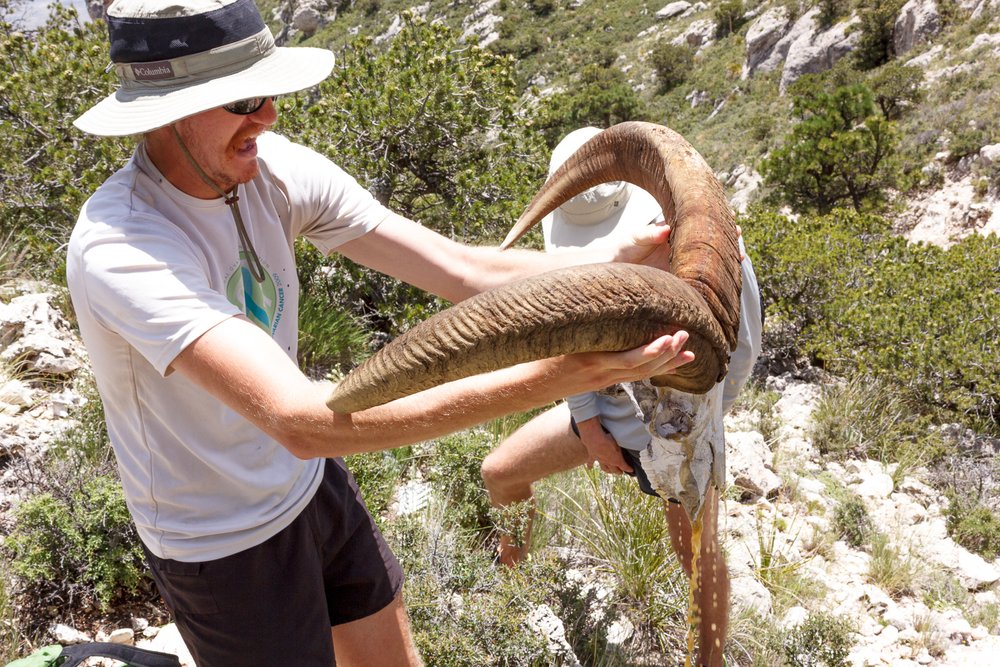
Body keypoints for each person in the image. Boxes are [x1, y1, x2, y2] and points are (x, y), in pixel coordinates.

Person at [66, 2, 695, 665]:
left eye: (270, 92)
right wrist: (563, 375)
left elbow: (463, 270)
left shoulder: (272, 170)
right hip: (221, 539)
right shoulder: (123, 246)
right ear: (169, 110)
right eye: (246, 98)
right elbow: (302, 418)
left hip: (310, 482)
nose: (270, 116)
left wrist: (608, 264)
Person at [480, 127, 763, 667]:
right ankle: (511, 606)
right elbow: (567, 357)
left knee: (698, 558)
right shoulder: (593, 259)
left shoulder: (707, 243)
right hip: (603, 419)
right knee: (502, 473)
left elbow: (741, 342)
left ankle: (711, 662)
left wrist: (700, 424)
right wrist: (590, 427)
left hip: (680, 433)